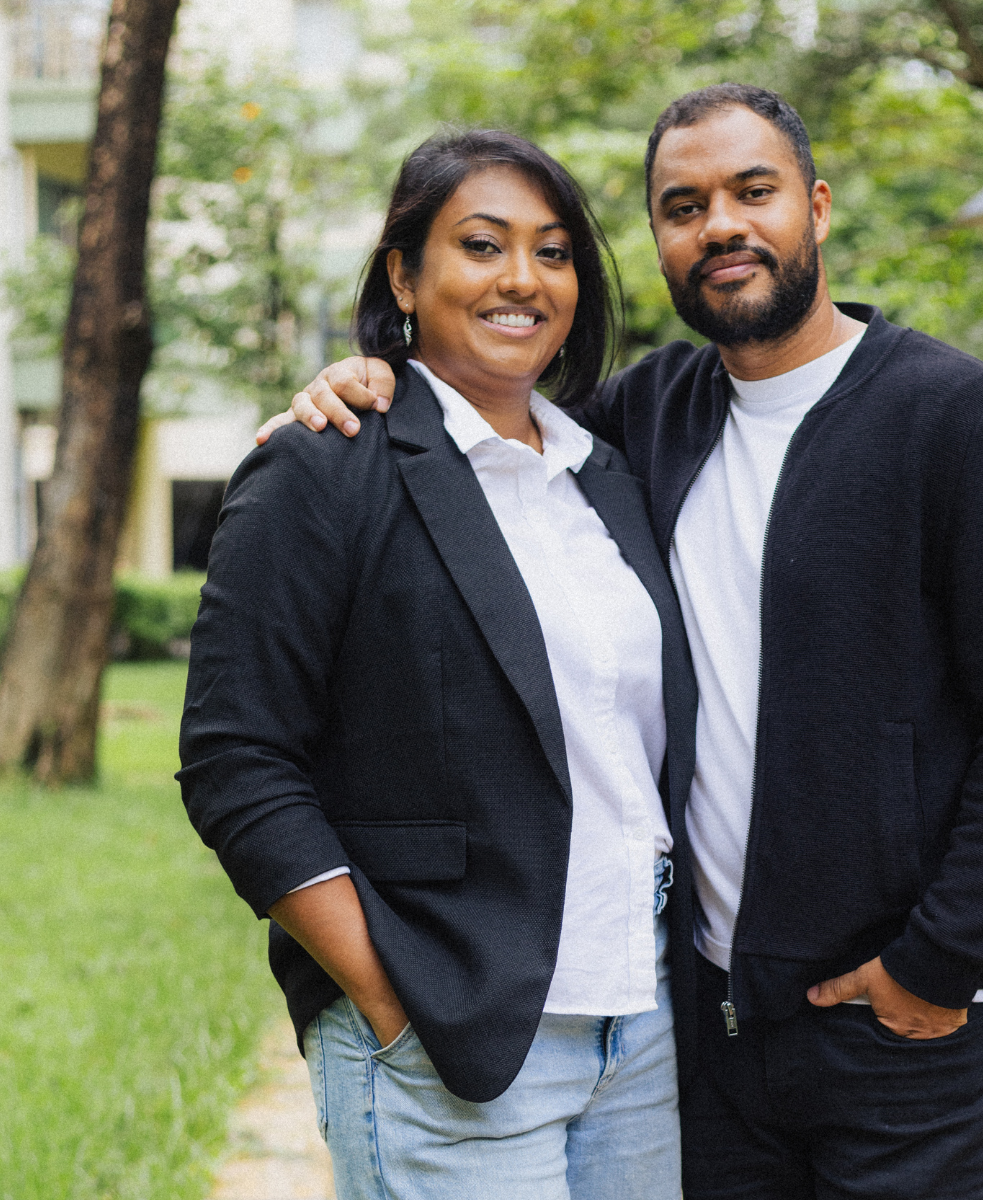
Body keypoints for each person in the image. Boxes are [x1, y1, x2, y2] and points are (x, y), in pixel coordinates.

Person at [267, 85, 983, 1200]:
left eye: (754, 193)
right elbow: (478, 422)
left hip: (916, 1023)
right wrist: (372, 377)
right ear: (657, 239)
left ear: (818, 206)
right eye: (683, 205)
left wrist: (934, 965)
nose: (721, 228)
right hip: (716, 1025)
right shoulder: (643, 418)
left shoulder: (962, 421)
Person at [178, 128, 698, 1200]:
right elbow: (238, 761)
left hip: (640, 1030)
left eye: (554, 253)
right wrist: (388, 995)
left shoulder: (602, 473)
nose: (523, 279)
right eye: (482, 245)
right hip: (448, 1036)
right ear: (404, 275)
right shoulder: (321, 469)